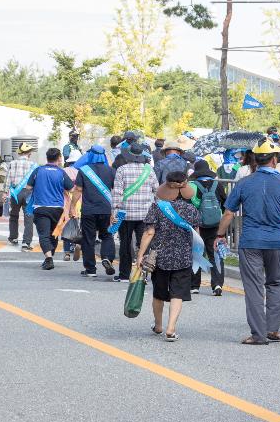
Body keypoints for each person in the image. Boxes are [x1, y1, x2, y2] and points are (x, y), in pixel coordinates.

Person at [216, 139, 280, 345]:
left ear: (255, 161)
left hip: (250, 240)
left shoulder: (244, 183)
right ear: (274, 160)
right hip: (276, 241)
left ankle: (258, 334)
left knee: (254, 287)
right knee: (275, 283)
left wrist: (220, 235)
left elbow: (229, 212)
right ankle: (273, 330)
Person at [134, 169, 200, 341]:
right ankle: (171, 328)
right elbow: (196, 235)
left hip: (160, 257)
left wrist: (141, 255)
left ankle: (158, 325)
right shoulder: (191, 209)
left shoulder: (157, 207)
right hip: (183, 257)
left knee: (159, 293)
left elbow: (149, 232)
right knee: (178, 293)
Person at [111, 143, 157, 281]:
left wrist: (114, 212)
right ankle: (143, 273)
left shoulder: (121, 170)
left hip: (125, 214)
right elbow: (157, 190)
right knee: (144, 244)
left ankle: (124, 274)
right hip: (145, 214)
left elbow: (117, 193)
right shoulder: (149, 170)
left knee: (125, 243)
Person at [73, 145, 117, 280]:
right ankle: (107, 258)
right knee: (107, 235)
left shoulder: (84, 170)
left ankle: (90, 269)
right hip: (106, 210)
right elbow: (115, 191)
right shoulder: (111, 171)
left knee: (88, 239)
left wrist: (72, 206)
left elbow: (78, 190)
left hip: (88, 211)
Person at [22, 148, 69, 270]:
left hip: (41, 207)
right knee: (54, 234)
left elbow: (28, 187)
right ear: (59, 158)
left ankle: (48, 258)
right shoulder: (61, 172)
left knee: (44, 235)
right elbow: (71, 188)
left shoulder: (38, 171)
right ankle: (49, 256)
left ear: (47, 158)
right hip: (57, 208)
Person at [188, 160, 227, 295]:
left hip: (197, 226)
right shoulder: (218, 185)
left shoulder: (192, 186)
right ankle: (217, 284)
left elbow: (188, 205)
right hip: (216, 225)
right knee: (215, 254)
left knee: (197, 253)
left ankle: (194, 285)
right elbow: (225, 204)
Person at [6, 143, 37, 250]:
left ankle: (13, 238)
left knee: (14, 215)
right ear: (29, 153)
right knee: (29, 217)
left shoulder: (12, 163)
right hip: (28, 192)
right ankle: (26, 242)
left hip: (16, 192)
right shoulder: (33, 164)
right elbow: (35, 181)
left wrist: (5, 193)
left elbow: (8, 178)